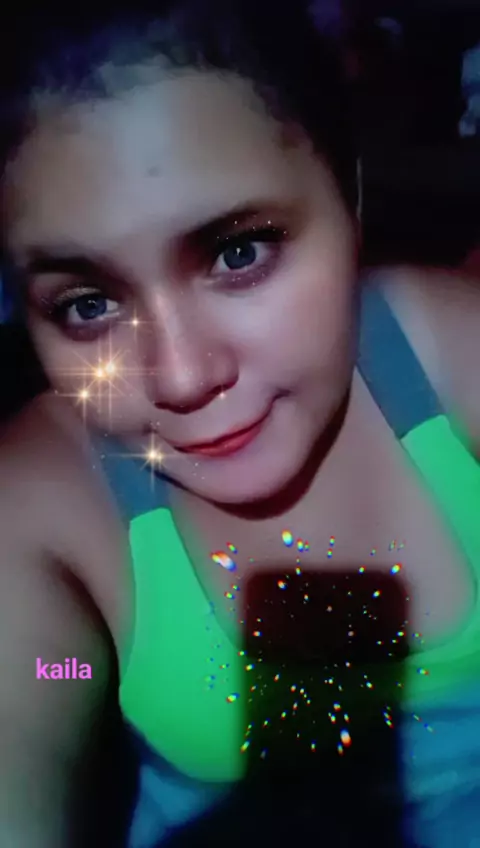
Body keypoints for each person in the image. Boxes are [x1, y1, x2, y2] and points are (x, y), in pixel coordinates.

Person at [1, 2, 480, 846]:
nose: (182, 378)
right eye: (88, 304)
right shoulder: (47, 496)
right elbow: (39, 682)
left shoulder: (453, 355)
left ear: (348, 196)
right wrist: (64, 674)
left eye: (238, 253)